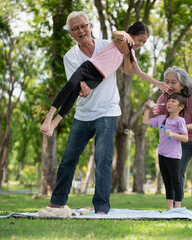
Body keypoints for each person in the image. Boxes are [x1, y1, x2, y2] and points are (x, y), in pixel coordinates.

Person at [40, 11, 134, 215]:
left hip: (108, 111)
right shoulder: (70, 56)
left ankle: (101, 208)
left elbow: (127, 70)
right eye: (75, 28)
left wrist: (127, 52)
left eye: (84, 26)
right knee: (68, 159)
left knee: (103, 159)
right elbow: (77, 88)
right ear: (71, 34)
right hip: (83, 115)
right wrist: (84, 90)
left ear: (90, 26)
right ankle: (56, 203)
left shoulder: (107, 46)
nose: (81, 30)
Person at [40, 21, 168, 136]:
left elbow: (138, 73)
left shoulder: (130, 54)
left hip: (98, 78)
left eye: (144, 42)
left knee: (74, 94)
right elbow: (115, 32)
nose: (141, 44)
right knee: (71, 85)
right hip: (89, 67)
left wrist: (158, 83)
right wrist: (125, 34)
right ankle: (49, 116)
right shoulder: (121, 39)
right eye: (140, 40)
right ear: (131, 34)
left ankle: (55, 123)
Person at [145, 66, 192, 214]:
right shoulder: (164, 98)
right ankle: (177, 206)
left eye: (173, 82)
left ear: (182, 84)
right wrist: (149, 108)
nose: (169, 85)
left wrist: (181, 128)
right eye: (167, 82)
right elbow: (156, 118)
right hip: (180, 140)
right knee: (176, 171)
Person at [142, 93, 188, 210]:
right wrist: (147, 110)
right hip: (162, 153)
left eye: (173, 101)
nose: (169, 103)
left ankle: (177, 208)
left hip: (173, 155)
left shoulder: (180, 121)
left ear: (181, 107)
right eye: (169, 101)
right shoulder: (162, 118)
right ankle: (169, 208)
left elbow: (185, 138)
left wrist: (173, 134)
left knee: (175, 181)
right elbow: (145, 121)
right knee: (167, 181)